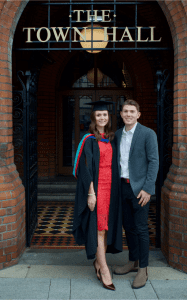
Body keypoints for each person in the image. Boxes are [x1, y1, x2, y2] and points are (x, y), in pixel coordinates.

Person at [72, 100, 122, 291]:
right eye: (98, 115)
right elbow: (85, 168)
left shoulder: (111, 138)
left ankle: (98, 264)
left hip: (113, 188)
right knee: (100, 229)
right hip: (98, 189)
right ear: (93, 117)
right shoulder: (88, 139)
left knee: (107, 228)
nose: (102, 117)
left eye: (105, 115)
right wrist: (91, 193)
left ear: (109, 118)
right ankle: (104, 269)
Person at [113, 99, 159, 289]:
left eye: (132, 111)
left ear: (138, 114)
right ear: (121, 114)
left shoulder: (148, 134)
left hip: (140, 189)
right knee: (129, 227)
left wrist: (148, 189)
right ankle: (133, 262)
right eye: (125, 111)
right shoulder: (117, 134)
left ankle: (143, 269)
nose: (128, 114)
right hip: (122, 187)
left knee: (141, 228)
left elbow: (154, 162)